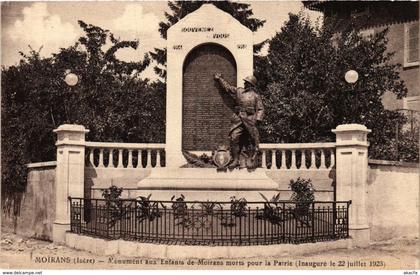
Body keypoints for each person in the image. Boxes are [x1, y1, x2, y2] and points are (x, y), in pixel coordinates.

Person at [214, 73, 264, 169]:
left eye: (247, 82)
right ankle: (235, 160)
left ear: (251, 85)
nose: (245, 84)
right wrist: (220, 79)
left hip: (250, 120)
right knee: (234, 137)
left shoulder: (256, 96)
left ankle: (250, 160)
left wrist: (258, 119)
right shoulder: (239, 91)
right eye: (245, 82)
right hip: (239, 119)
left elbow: (261, 109)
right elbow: (228, 88)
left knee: (251, 140)